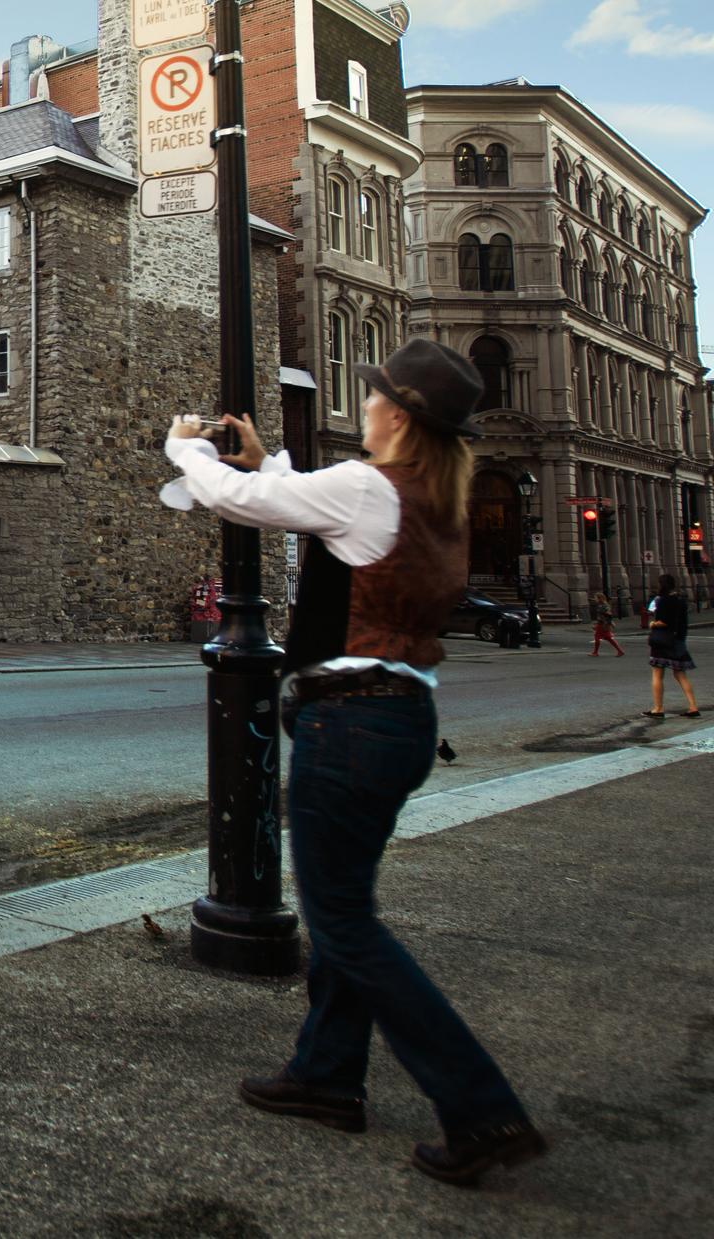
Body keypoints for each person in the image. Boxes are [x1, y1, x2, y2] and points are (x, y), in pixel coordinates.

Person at [161, 338, 547, 1188]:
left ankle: (478, 1103)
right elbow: (325, 521)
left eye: (374, 395)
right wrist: (278, 464)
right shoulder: (431, 501)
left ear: (398, 417)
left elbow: (241, 498)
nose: (364, 403)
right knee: (346, 906)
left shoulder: (371, 486)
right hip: (403, 718)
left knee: (344, 925)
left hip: (352, 725)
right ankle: (328, 1074)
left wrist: (185, 446)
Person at [641, 574, 699, 719]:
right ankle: (693, 706)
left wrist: (653, 624)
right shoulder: (680, 600)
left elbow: (663, 621)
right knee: (680, 674)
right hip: (677, 640)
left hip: (662, 640)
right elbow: (682, 623)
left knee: (657, 674)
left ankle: (658, 708)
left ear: (661, 585)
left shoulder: (662, 600)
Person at [589, 591, 624, 657]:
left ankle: (595, 652)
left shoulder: (604, 605)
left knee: (598, 637)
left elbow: (608, 615)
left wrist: (609, 623)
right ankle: (620, 651)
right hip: (602, 623)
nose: (595, 599)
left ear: (600, 598)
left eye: (596, 598)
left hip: (603, 624)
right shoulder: (601, 605)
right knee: (608, 638)